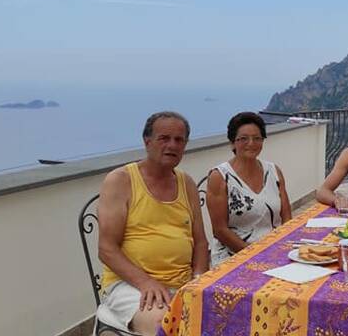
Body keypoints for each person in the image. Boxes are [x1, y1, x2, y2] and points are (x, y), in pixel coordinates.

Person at [97, 111, 210, 335]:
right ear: (147, 142)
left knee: (230, 311)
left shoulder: (186, 183)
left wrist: (198, 281)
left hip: (183, 282)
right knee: (167, 324)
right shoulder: (121, 180)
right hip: (131, 284)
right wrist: (145, 282)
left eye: (179, 140)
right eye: (164, 138)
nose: (172, 145)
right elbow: (106, 249)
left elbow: (200, 242)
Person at [207, 112, 291, 265]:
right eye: (243, 138)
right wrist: (254, 254)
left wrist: (281, 249)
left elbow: (286, 219)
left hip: (273, 250)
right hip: (233, 255)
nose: (251, 143)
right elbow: (219, 230)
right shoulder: (220, 176)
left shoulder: (274, 171)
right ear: (232, 143)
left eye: (257, 138)